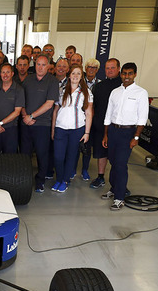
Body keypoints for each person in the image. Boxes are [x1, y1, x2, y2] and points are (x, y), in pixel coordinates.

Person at [102, 62, 148, 211]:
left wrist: (136, 138)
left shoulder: (141, 93)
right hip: (113, 131)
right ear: (120, 74)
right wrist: (106, 135)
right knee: (113, 163)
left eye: (130, 73)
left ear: (135, 74)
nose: (126, 76)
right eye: (124, 73)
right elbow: (108, 114)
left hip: (128, 133)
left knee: (121, 165)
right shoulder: (115, 92)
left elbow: (142, 117)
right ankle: (114, 188)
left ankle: (119, 198)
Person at [51, 64, 93, 193]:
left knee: (71, 156)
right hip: (60, 128)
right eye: (73, 73)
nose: (75, 76)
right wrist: (53, 129)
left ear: (82, 76)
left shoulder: (86, 93)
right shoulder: (61, 90)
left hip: (77, 129)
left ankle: (64, 181)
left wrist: (87, 132)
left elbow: (89, 113)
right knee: (58, 156)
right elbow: (55, 111)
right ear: (69, 75)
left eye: (78, 73)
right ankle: (59, 178)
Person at [21, 54, 59, 193]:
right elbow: (21, 100)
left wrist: (31, 116)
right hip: (26, 123)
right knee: (25, 154)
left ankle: (40, 181)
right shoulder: (28, 80)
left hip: (43, 125)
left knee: (42, 154)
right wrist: (25, 116)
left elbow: (49, 104)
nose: (40, 67)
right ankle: (25, 180)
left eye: (43, 65)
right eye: (38, 64)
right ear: (34, 65)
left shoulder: (52, 81)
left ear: (48, 66)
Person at [88, 58, 121, 189]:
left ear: (119, 69)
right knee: (101, 153)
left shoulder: (123, 87)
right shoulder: (99, 86)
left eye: (112, 68)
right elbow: (93, 107)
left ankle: (118, 182)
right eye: (107, 68)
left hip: (117, 128)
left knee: (117, 157)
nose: (110, 70)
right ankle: (100, 177)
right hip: (100, 127)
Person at [0, 63, 24, 157]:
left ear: (12, 73)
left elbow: (17, 112)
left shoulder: (19, 90)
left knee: (9, 157)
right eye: (3, 72)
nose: (5, 75)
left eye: (8, 72)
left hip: (10, 129)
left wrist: (0, 123)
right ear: (0, 74)